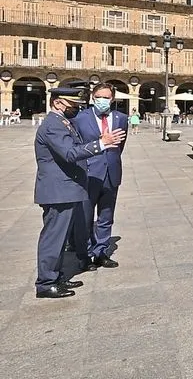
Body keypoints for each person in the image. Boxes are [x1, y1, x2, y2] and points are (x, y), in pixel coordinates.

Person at [34, 87, 125, 298]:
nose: (75, 109)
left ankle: (56, 277)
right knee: (53, 238)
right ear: (57, 103)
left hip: (66, 188)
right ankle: (46, 283)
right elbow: (70, 152)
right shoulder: (53, 125)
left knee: (60, 235)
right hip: (58, 190)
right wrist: (103, 143)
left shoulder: (61, 122)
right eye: (71, 105)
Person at [73, 83, 128, 269]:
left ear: (112, 99)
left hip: (111, 173)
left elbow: (119, 146)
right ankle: (86, 254)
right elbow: (77, 147)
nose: (103, 100)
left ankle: (101, 252)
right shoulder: (80, 118)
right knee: (86, 217)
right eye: (99, 97)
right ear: (92, 98)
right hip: (89, 173)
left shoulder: (121, 118)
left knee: (106, 216)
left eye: (106, 97)